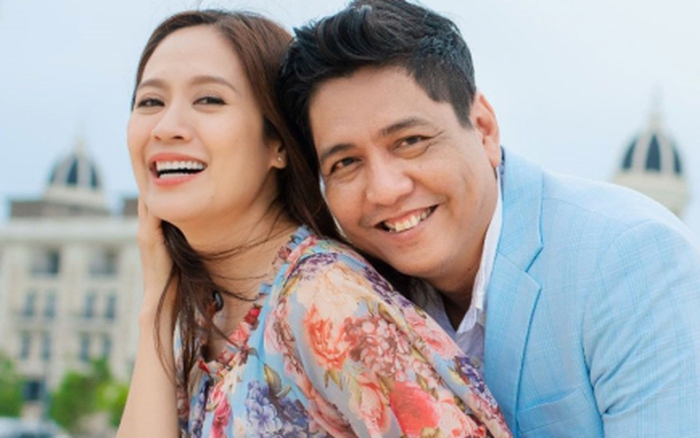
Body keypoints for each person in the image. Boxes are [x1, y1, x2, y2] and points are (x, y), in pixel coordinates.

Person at [277, 0, 700, 436]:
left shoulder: (629, 258)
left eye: (410, 141)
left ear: (483, 128)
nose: (385, 190)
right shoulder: (346, 297)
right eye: (346, 163)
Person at [117, 9, 512, 438]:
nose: (167, 127)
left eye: (209, 100)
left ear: (278, 143)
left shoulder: (324, 298)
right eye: (150, 102)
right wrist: (156, 307)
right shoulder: (205, 321)